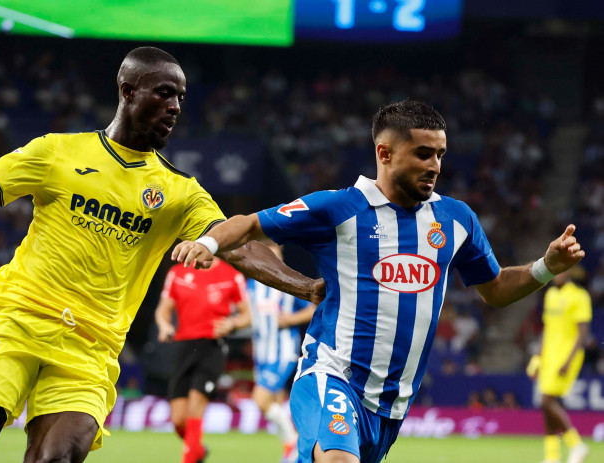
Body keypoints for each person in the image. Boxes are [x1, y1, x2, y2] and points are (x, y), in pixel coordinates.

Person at [0, 47, 323, 463]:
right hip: (18, 321)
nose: (175, 106)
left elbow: (242, 247)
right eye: (163, 93)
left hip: (90, 347)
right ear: (127, 90)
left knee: (56, 458)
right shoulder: (57, 152)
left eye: (180, 97)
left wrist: (308, 287)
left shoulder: (180, 192)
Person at [172, 100, 585, 463]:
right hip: (331, 374)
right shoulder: (338, 207)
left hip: (390, 406)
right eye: (423, 154)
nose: (435, 166)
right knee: (337, 459)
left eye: (440, 155)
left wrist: (545, 266)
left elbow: (495, 289)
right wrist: (208, 241)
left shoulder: (457, 219)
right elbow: (247, 226)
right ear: (384, 153)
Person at [155, 256, 251, 463]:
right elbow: (163, 309)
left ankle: (189, 458)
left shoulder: (232, 275)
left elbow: (247, 315)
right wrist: (164, 326)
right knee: (178, 419)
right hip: (183, 347)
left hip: (212, 346)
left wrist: (232, 324)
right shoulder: (177, 273)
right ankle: (197, 450)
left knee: (195, 408)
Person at [246, 242, 316, 463]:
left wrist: (291, 319)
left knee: (260, 398)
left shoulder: (287, 283)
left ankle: (292, 442)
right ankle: (298, 452)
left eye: (275, 255)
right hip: (262, 353)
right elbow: (248, 314)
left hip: (282, 350)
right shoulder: (251, 284)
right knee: (275, 403)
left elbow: (313, 308)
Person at [526, 266, 591, 463]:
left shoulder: (580, 296)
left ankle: (576, 444)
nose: (557, 275)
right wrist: (537, 357)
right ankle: (552, 456)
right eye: (555, 272)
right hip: (548, 356)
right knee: (546, 407)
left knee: (547, 401)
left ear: (570, 272)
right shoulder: (551, 294)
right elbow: (547, 329)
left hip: (566, 357)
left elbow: (582, 334)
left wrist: (568, 361)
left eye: (562, 271)